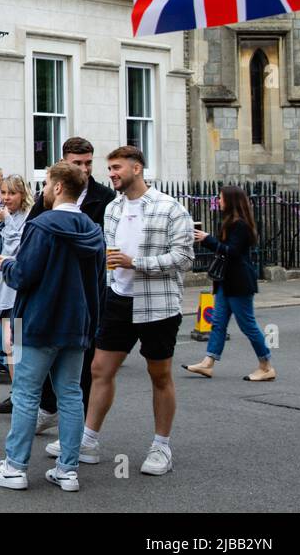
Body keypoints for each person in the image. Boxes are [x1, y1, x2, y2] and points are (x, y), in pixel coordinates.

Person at [48, 146, 193, 476]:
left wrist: (136, 263)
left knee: (159, 374)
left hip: (157, 304)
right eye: (109, 168)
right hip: (118, 299)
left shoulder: (169, 208)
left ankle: (161, 447)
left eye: (117, 168)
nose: (111, 173)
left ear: (137, 168)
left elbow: (184, 258)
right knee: (100, 369)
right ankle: (88, 439)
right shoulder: (112, 209)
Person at [0, 162, 105, 493]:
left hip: (37, 322)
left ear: (59, 187)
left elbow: (25, 275)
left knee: (25, 394)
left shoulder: (42, 225)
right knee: (71, 395)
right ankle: (67, 470)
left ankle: (15, 467)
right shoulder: (92, 229)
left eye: (46, 183)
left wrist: (8, 267)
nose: (43, 189)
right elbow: (98, 283)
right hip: (77, 324)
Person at [27, 136, 116, 436]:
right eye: (78, 163)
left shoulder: (104, 198)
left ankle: (77, 436)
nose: (85, 168)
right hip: (51, 290)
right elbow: (32, 232)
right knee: (50, 366)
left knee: (81, 371)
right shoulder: (47, 198)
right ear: (64, 162)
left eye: (89, 162)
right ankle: (49, 410)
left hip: (85, 289)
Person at [184, 186, 274, 382]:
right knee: (217, 324)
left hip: (239, 281)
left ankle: (266, 365)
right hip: (226, 280)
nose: (218, 200)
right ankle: (208, 363)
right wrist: (209, 239)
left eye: (221, 197)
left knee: (247, 325)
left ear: (231, 200)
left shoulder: (240, 225)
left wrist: (208, 239)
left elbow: (232, 252)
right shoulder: (230, 222)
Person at [0, 174, 34, 412]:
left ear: (22, 194)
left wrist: (7, 221)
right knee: (9, 344)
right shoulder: (11, 217)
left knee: (15, 344)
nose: (6, 198)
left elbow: (19, 247)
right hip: (4, 287)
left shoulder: (27, 218)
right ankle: (18, 393)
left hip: (18, 289)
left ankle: (23, 395)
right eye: (3, 193)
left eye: (11, 193)